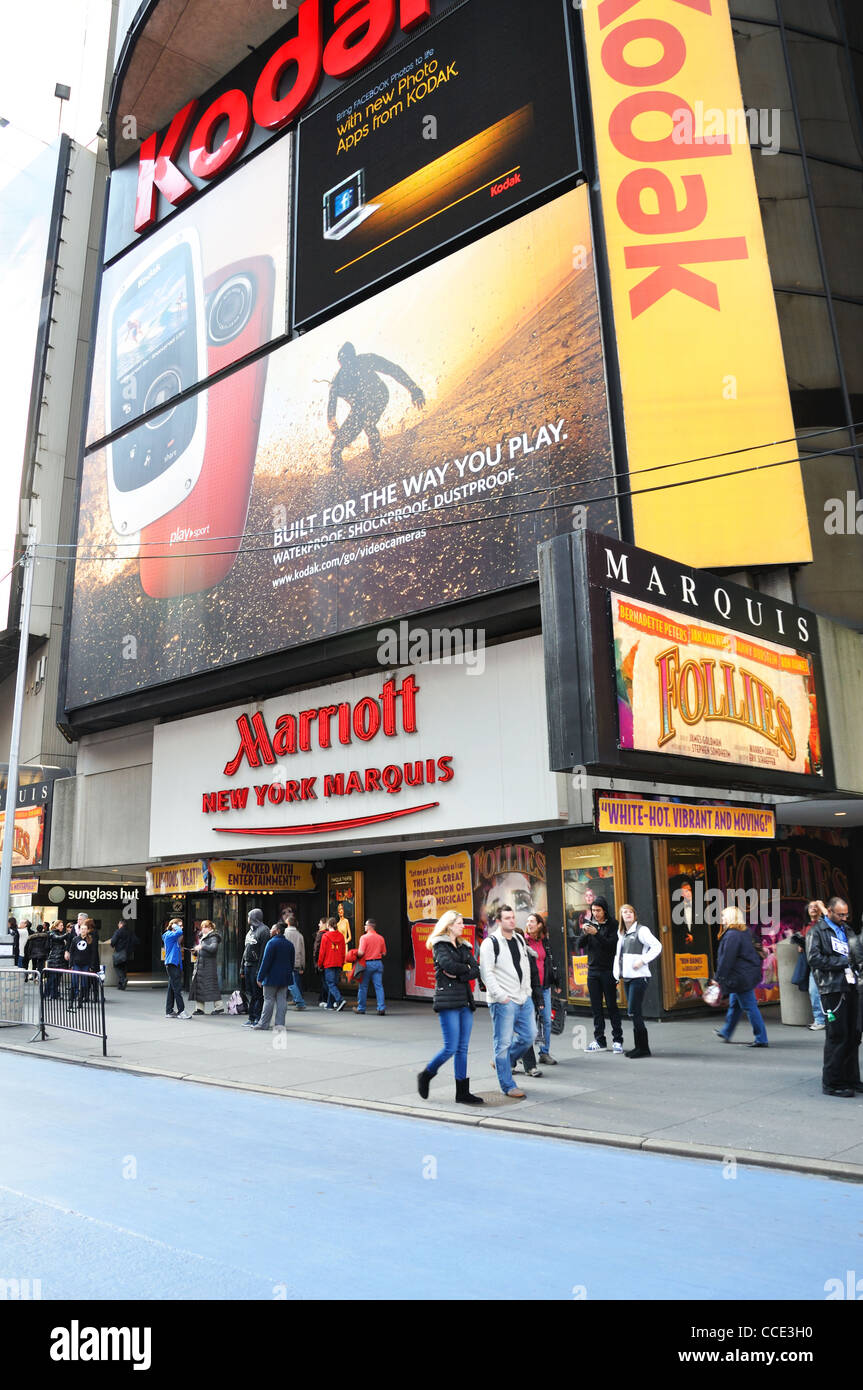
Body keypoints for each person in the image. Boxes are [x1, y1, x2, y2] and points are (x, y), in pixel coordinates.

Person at [417, 910, 483, 1104]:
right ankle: (427, 1074)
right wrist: (465, 970)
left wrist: (462, 974)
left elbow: (476, 969)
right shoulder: (439, 945)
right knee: (451, 1047)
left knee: (462, 1048)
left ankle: (462, 1092)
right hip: (448, 1001)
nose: (463, 926)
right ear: (449, 925)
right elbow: (448, 966)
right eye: (460, 923)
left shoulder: (464, 946)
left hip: (464, 1000)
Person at [327, 341, 425, 469]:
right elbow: (330, 413)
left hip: (379, 395)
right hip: (359, 408)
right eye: (345, 363)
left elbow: (393, 369)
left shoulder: (366, 360)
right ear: (340, 363)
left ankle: (377, 462)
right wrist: (337, 432)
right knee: (335, 450)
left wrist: (414, 389)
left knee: (368, 423)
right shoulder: (337, 382)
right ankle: (339, 480)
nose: (350, 366)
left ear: (355, 356)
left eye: (351, 360)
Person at [479, 904, 536, 1099]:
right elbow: (486, 973)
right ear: (498, 921)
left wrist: (527, 990)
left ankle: (502, 1061)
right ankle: (508, 1085)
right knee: (502, 1043)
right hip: (503, 1000)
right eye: (507, 918)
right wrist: (500, 996)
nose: (512, 920)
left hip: (523, 997)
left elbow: (525, 965)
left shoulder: (519, 938)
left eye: (513, 917)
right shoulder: (490, 943)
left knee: (530, 1036)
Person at [808, 897, 859, 1097]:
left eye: (846, 914)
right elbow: (813, 958)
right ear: (829, 911)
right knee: (837, 1035)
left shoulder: (847, 930)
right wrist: (843, 960)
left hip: (851, 986)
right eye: (840, 914)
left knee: (853, 1035)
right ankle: (832, 1082)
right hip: (831, 988)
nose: (844, 918)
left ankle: (851, 1078)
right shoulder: (817, 931)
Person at [713, 905, 769, 1048]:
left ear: (731, 917)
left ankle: (761, 1038)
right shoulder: (744, 932)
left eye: (724, 915)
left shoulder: (732, 935)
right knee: (735, 1005)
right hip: (745, 975)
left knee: (750, 1007)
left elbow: (727, 959)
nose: (722, 918)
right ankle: (726, 1031)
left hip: (740, 977)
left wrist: (717, 978)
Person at [613, 904, 662, 1058]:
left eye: (630, 912)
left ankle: (643, 1048)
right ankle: (639, 1046)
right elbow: (618, 956)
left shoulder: (642, 930)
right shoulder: (621, 933)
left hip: (639, 977)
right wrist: (616, 974)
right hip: (627, 977)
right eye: (624, 912)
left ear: (634, 914)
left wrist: (642, 961)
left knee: (634, 1011)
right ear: (621, 916)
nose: (627, 914)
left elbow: (657, 946)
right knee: (634, 1012)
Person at [576, 896, 623, 1053]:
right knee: (596, 1007)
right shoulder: (590, 924)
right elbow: (579, 945)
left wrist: (596, 933)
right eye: (593, 910)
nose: (595, 913)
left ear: (604, 910)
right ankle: (599, 1040)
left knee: (611, 1005)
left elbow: (611, 946)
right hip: (593, 971)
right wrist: (585, 933)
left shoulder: (613, 925)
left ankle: (617, 1040)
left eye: (598, 910)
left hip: (608, 971)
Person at [525, 912, 561, 1065]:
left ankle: (544, 1053)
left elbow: (551, 962)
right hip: (528, 988)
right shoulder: (523, 941)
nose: (529, 923)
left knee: (546, 1019)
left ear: (539, 924)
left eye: (532, 921)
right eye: (528, 921)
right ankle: (525, 1055)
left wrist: (557, 982)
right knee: (528, 1022)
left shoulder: (544, 941)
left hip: (544, 986)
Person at [253, 922, 296, 1031]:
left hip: (271, 977)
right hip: (285, 977)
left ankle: (263, 1023)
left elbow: (265, 962)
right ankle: (280, 1024)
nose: (270, 930)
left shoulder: (271, 943)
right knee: (282, 1000)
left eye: (272, 928)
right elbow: (291, 962)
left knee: (268, 1000)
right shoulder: (289, 944)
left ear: (277, 931)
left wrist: (260, 977)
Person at [241, 909, 270, 1026]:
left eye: (249, 915)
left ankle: (257, 1018)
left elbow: (264, 953)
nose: (247, 918)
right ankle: (252, 1017)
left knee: (258, 994)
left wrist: (259, 972)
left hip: (256, 965)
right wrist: (242, 967)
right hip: (248, 965)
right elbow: (245, 950)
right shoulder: (250, 931)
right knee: (252, 993)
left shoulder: (264, 931)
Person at [189, 920, 225, 1015]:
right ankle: (199, 1009)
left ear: (210, 928)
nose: (202, 929)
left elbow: (213, 949)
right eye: (202, 927)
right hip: (200, 965)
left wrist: (201, 947)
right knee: (199, 986)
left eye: (205, 927)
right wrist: (195, 952)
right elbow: (202, 950)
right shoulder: (203, 937)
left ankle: (219, 1007)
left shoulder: (214, 936)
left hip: (209, 966)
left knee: (212, 986)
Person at [804, 900, 828, 1030]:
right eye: (811, 907)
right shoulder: (807, 926)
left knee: (826, 993)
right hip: (813, 965)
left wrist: (822, 907)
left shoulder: (824, 923)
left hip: (825, 963)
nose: (813, 909)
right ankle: (819, 1020)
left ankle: (827, 1019)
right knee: (813, 992)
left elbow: (832, 921)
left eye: (816, 907)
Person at [354, 918, 386, 1015]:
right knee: (379, 987)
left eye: (365, 925)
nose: (364, 927)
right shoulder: (381, 938)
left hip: (367, 964)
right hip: (378, 963)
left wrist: (354, 954)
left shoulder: (364, 938)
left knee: (363, 987)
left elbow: (361, 952)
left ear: (369, 926)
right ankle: (381, 1008)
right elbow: (384, 953)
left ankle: (361, 1008)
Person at [162, 918, 191, 1019]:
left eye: (182, 925)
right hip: (172, 965)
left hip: (174, 964)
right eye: (180, 925)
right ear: (174, 926)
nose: (181, 927)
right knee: (177, 989)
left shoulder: (173, 937)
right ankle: (181, 1011)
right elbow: (179, 931)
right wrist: (174, 925)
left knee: (172, 989)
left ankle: (169, 1011)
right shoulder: (169, 935)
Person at [68, 919, 99, 1009]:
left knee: (84, 983)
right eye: (82, 929)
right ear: (80, 930)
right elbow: (72, 952)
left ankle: (80, 1000)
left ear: (87, 930)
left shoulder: (90, 940)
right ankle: (72, 1001)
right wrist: (71, 964)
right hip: (76, 964)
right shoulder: (75, 939)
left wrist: (92, 965)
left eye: (85, 929)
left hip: (86, 964)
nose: (83, 931)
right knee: (74, 983)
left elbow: (93, 953)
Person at [317, 917, 347, 1011]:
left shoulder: (325, 936)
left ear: (328, 925)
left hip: (329, 963)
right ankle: (330, 1005)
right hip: (338, 963)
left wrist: (320, 964)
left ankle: (340, 1000)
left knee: (330, 983)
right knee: (334, 983)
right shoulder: (341, 936)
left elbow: (322, 952)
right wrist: (342, 963)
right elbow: (343, 952)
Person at [848, 915, 863, 1095]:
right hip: (859, 992)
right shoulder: (855, 940)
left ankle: (853, 1078)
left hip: (857, 991)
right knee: (854, 1039)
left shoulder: (853, 940)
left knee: (855, 1039)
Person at [281, 911, 307, 1011]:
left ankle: (299, 1001)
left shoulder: (285, 933)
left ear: (288, 923)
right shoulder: (300, 935)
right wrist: (302, 965)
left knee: (291, 984)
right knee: (294, 982)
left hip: (286, 961)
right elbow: (302, 951)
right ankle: (296, 1000)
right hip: (297, 961)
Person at [110, 918, 138, 990]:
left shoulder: (118, 932)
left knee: (117, 966)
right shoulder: (130, 932)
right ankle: (121, 985)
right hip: (128, 953)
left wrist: (115, 945)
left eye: (118, 924)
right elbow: (136, 941)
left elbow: (113, 942)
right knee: (124, 968)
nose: (118, 925)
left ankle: (123, 979)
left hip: (119, 952)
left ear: (121, 924)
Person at [45, 920, 71, 999]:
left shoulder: (60, 934)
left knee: (57, 979)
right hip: (54, 959)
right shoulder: (52, 933)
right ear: (56, 926)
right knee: (52, 979)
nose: (62, 927)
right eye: (61, 925)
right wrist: (67, 934)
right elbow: (57, 938)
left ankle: (54, 994)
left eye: (63, 925)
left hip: (59, 960)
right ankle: (48, 994)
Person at [313, 918, 329, 1007]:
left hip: (323, 961)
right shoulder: (332, 934)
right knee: (327, 981)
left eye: (320, 923)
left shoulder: (321, 934)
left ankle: (328, 999)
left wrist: (317, 963)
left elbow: (317, 950)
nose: (318, 925)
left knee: (325, 982)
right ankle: (324, 998)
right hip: (331, 961)